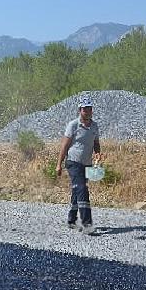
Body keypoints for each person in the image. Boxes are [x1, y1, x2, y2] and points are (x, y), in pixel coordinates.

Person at [56, 95, 101, 235]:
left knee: (77, 191)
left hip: (87, 164)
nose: (87, 112)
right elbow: (64, 146)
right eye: (84, 109)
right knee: (82, 189)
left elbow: (96, 143)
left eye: (89, 109)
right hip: (73, 163)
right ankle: (87, 224)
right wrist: (59, 164)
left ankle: (71, 220)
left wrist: (98, 153)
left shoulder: (94, 126)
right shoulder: (73, 125)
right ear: (79, 110)